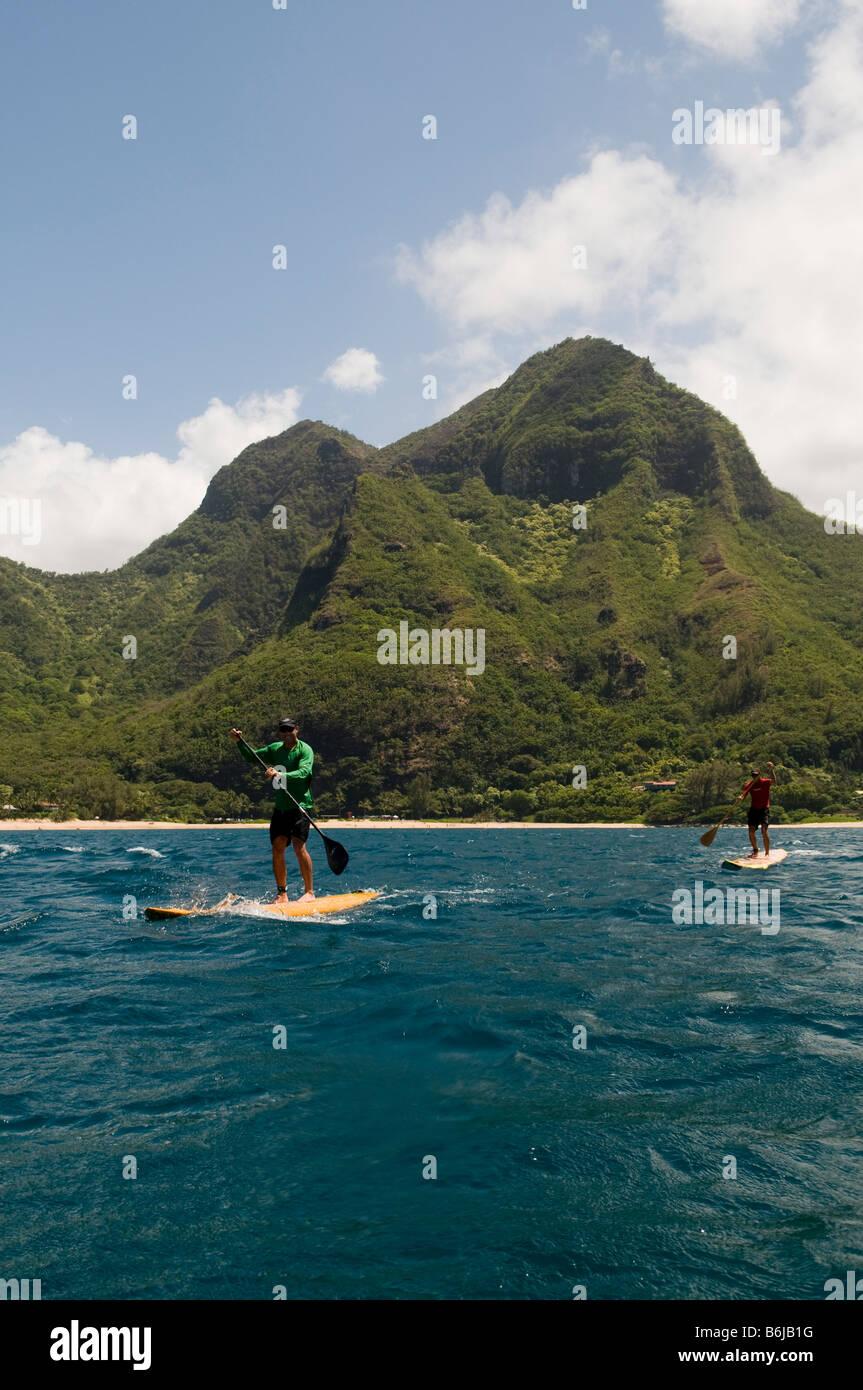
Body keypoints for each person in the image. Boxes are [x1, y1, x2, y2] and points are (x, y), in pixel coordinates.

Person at [230, 718, 315, 902]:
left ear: (296, 730)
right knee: (277, 848)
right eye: (282, 730)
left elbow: (304, 773)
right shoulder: (275, 749)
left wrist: (279, 774)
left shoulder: (305, 750)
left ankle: (309, 892)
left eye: (289, 729)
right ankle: (282, 894)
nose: (285, 733)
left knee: (299, 847)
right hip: (281, 807)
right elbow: (252, 756)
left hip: (300, 806)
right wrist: (239, 743)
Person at [738, 761, 775, 858]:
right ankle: (755, 850)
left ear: (760, 775)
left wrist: (771, 770)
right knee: (751, 831)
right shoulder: (749, 785)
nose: (755, 777)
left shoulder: (765, 782)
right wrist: (741, 798)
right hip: (754, 810)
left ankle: (767, 853)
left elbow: (774, 781)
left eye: (756, 775)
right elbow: (744, 796)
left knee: (764, 830)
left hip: (764, 809)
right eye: (753, 776)